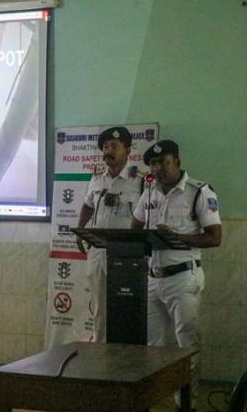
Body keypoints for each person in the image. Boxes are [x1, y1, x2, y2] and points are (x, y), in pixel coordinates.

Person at [131, 139, 221, 411]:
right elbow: (134, 228)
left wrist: (176, 238)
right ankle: (151, 401)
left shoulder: (199, 192)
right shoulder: (149, 193)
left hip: (183, 279)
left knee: (187, 347)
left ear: (177, 162)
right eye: (153, 164)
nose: (158, 168)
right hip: (152, 278)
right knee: (151, 347)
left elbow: (214, 237)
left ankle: (186, 405)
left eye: (163, 162)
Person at [76, 126, 143, 342]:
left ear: (128, 150)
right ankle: (101, 350)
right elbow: (88, 205)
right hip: (98, 250)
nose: (108, 151)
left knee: (127, 304)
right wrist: (80, 231)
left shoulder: (140, 180)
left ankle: (128, 354)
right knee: (99, 306)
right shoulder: (97, 178)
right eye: (105, 147)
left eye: (114, 146)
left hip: (126, 253)